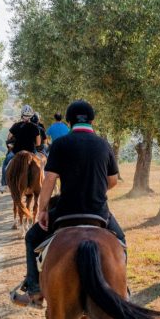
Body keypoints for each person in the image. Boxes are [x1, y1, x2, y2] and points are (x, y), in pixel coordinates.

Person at [11, 99, 126, 307]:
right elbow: (112, 181)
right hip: (99, 213)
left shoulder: (61, 144)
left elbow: (49, 181)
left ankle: (34, 291)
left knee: (31, 237)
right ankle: (122, 290)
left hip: (66, 212)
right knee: (122, 241)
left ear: (70, 122)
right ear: (92, 121)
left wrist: (43, 210)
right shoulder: (103, 144)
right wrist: (94, 190)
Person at [0, 104, 41, 193]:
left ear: (22, 115)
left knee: (6, 163)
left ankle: (4, 184)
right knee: (40, 164)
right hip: (31, 152)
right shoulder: (35, 127)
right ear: (31, 116)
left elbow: (9, 138)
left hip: (16, 151)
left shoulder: (16, 125)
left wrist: (11, 143)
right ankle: (41, 182)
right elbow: (38, 143)